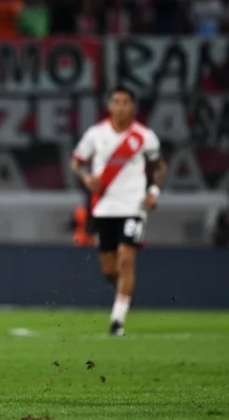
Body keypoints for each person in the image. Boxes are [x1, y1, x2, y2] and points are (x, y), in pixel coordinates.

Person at [70, 86, 167, 336]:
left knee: (126, 260)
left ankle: (117, 320)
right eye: (116, 101)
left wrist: (153, 192)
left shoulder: (144, 136)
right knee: (109, 269)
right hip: (103, 208)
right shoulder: (96, 134)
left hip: (133, 207)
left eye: (126, 102)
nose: (121, 106)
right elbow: (77, 162)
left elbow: (159, 167)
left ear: (133, 107)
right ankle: (124, 294)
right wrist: (86, 177)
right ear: (110, 106)